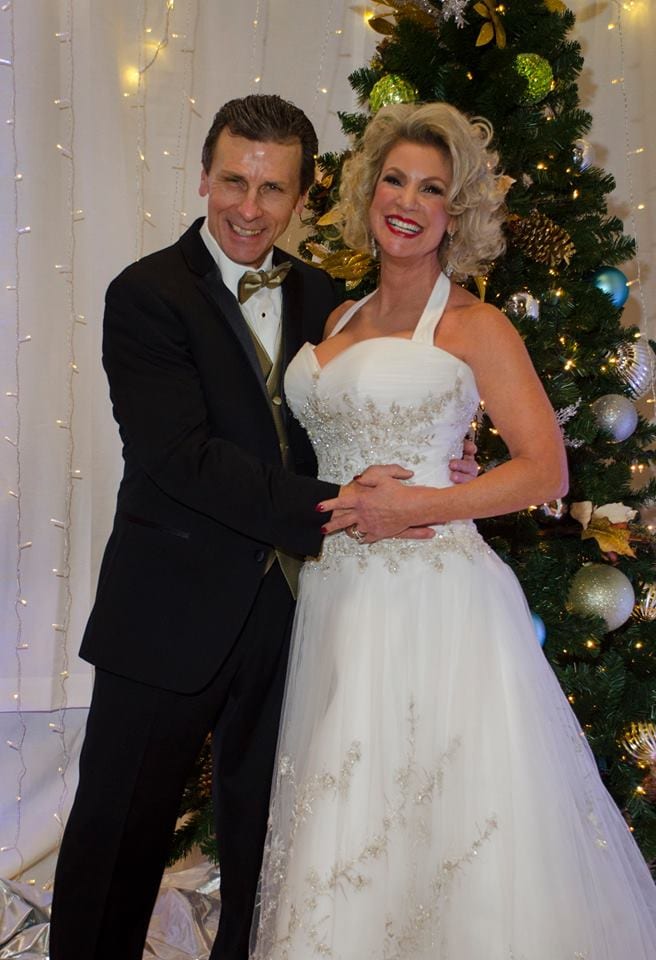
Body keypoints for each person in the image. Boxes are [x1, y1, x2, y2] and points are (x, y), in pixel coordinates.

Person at [48, 95, 477, 960]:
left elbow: (349, 418)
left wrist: (441, 461)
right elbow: (181, 457)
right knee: (115, 840)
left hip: (295, 615)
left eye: (273, 188)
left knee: (270, 851)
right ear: (204, 176)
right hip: (165, 612)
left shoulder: (322, 294)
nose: (250, 206)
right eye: (235, 181)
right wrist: (343, 505)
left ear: (304, 196)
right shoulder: (145, 294)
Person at [251, 102, 656, 959]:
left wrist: (418, 503)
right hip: (335, 596)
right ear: (367, 191)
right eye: (394, 179)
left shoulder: (475, 325)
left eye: (431, 188)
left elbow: (546, 471)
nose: (407, 199)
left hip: (436, 601)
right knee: (347, 806)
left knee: (449, 821)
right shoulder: (335, 321)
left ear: (455, 212)